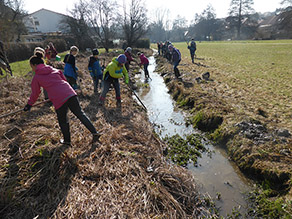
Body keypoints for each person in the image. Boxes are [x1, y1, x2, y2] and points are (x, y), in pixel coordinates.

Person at [23, 52, 101, 145]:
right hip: (70, 93)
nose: (32, 68)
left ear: (34, 65)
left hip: (59, 99)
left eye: (31, 66)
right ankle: (95, 133)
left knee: (63, 120)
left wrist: (29, 104)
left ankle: (67, 141)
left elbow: (35, 93)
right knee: (80, 114)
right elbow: (64, 81)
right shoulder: (54, 70)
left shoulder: (37, 77)